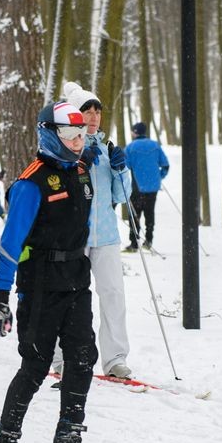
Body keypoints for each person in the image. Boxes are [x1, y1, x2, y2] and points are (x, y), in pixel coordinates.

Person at [0, 100, 102, 443]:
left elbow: (102, 155)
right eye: (69, 134)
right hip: (40, 286)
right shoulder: (30, 182)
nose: (78, 141)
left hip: (77, 280)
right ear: (50, 134)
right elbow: (9, 242)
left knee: (83, 359)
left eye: (82, 133)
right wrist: (1, 298)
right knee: (35, 365)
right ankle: (4, 442)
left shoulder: (82, 171)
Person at [50, 84, 133, 380]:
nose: (94, 116)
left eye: (97, 110)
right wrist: (78, 162)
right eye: (87, 110)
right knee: (69, 297)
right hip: (75, 238)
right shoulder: (62, 149)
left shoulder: (106, 149)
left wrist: (121, 169)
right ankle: (60, 357)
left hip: (106, 236)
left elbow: (122, 196)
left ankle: (115, 359)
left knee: (113, 294)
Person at [124, 121, 169, 251]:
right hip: (153, 187)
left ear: (135, 132)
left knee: (134, 214)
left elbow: (124, 165)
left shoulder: (130, 147)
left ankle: (133, 243)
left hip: (137, 187)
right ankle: (149, 240)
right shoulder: (155, 145)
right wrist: (159, 177)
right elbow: (165, 165)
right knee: (150, 213)